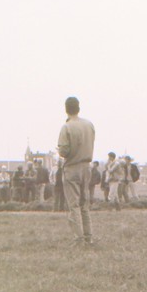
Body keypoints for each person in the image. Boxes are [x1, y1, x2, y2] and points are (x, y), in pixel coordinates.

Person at [57, 97, 95, 246]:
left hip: (72, 167)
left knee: (74, 205)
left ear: (66, 109)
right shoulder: (89, 125)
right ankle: (89, 237)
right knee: (85, 204)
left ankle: (79, 239)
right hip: (86, 167)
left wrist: (60, 150)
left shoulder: (66, 127)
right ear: (78, 108)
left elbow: (64, 151)